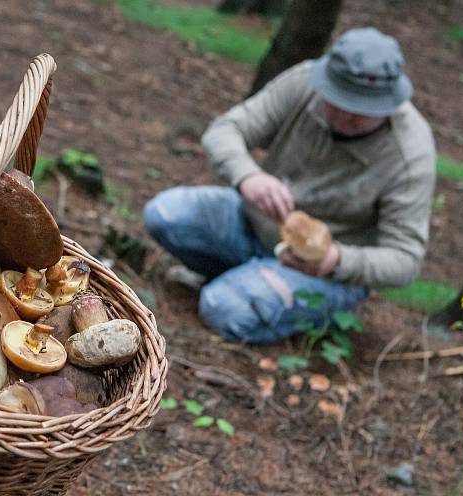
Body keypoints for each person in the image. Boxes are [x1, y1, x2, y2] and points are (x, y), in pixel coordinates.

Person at [143, 27, 436, 343]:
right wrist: (248, 176)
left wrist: (336, 260)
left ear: (389, 104)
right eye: (338, 100)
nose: (345, 115)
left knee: (221, 308)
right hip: (253, 223)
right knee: (165, 214)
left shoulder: (410, 153)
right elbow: (225, 130)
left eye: (361, 112)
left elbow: (406, 259)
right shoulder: (304, 82)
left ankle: (283, 303)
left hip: (323, 272)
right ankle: (245, 279)